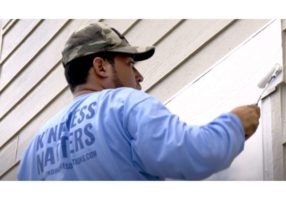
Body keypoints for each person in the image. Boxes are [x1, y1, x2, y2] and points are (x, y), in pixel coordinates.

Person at [17, 22, 260, 180]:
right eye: (130, 64)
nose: (139, 75)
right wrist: (235, 124)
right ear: (100, 66)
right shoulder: (124, 104)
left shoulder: (33, 152)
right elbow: (192, 154)